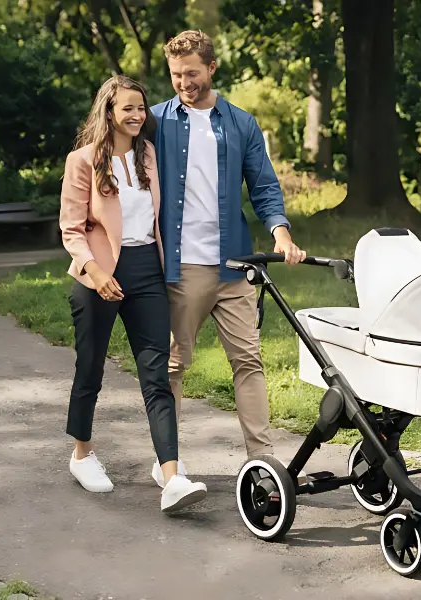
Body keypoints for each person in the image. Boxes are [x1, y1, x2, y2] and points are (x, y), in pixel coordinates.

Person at [148, 30, 307, 486]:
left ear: (212, 68)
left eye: (192, 73)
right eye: (177, 75)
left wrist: (280, 233)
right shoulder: (156, 121)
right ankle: (168, 463)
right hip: (184, 266)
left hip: (235, 264)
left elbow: (263, 186)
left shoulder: (240, 123)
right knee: (175, 364)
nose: (184, 82)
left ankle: (263, 464)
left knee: (249, 362)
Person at [59, 75, 208, 513]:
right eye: (128, 108)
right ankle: (81, 455)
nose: (137, 115)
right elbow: (71, 229)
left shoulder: (148, 155)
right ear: (109, 111)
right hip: (98, 274)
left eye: (141, 108)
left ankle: (171, 476)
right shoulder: (82, 161)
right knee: (90, 369)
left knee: (156, 376)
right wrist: (94, 271)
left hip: (146, 270)